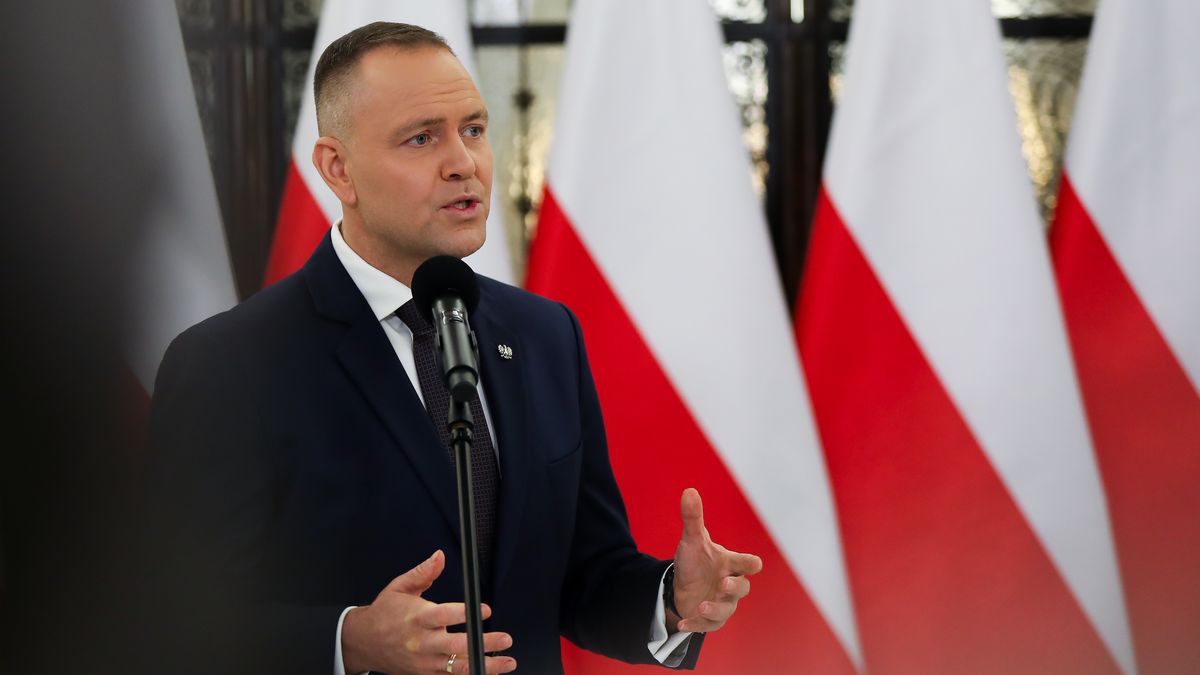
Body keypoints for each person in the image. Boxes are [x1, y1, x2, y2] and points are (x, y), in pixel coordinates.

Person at [147, 22, 761, 675]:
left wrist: (671, 600)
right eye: (422, 138)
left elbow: (584, 575)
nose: (463, 162)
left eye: (473, 129)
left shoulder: (545, 334)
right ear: (337, 169)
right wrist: (348, 640)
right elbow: (178, 626)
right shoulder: (230, 365)